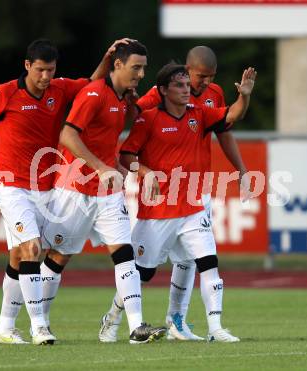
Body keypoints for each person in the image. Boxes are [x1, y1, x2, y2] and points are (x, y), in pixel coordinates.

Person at [0, 38, 128, 345]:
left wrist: (107, 57)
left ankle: (4, 328)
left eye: (50, 70)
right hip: (9, 186)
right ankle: (40, 328)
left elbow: (92, 84)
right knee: (34, 248)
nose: (45, 77)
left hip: (46, 190)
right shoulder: (3, 94)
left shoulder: (61, 89)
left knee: (18, 256)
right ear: (27, 66)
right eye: (40, 70)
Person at [100, 46, 249, 342]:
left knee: (204, 261)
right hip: (158, 209)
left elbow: (228, 122)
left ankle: (204, 326)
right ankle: (113, 317)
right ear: (165, 89)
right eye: (192, 80)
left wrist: (244, 95)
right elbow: (128, 147)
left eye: (209, 78)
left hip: (194, 201)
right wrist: (146, 172)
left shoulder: (203, 108)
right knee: (143, 274)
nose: (195, 87)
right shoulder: (151, 113)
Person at [41, 40, 167, 344]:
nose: (141, 73)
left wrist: (115, 169)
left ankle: (136, 327)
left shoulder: (121, 98)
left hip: (107, 193)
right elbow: (67, 135)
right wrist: (100, 166)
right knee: (58, 256)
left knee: (125, 254)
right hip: (75, 190)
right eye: (136, 67)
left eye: (143, 68)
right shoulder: (94, 93)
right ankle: (39, 322)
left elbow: (110, 136)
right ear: (118, 65)